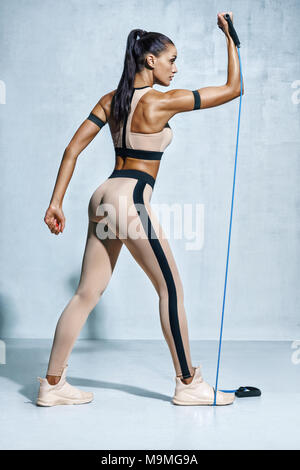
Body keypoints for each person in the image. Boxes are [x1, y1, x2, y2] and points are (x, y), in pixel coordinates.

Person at [37, 11, 244, 407]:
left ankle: (52, 385)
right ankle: (188, 383)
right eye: (171, 60)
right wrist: (231, 38)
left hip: (101, 197)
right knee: (171, 288)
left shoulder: (111, 100)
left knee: (85, 293)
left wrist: (56, 201)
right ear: (151, 60)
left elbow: (72, 149)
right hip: (128, 198)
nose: (175, 68)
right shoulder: (162, 102)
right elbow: (234, 88)